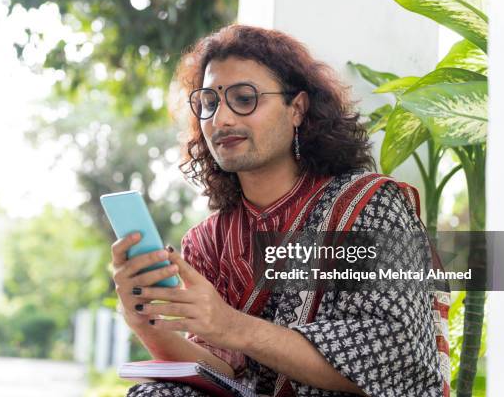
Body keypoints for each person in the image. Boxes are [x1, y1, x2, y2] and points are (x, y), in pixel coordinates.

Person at [111, 25, 450, 397]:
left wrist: (232, 325)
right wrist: (143, 318)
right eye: (209, 103)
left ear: (297, 109)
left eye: (244, 98)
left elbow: (395, 360)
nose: (221, 120)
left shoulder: (367, 206)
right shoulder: (209, 241)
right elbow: (221, 373)